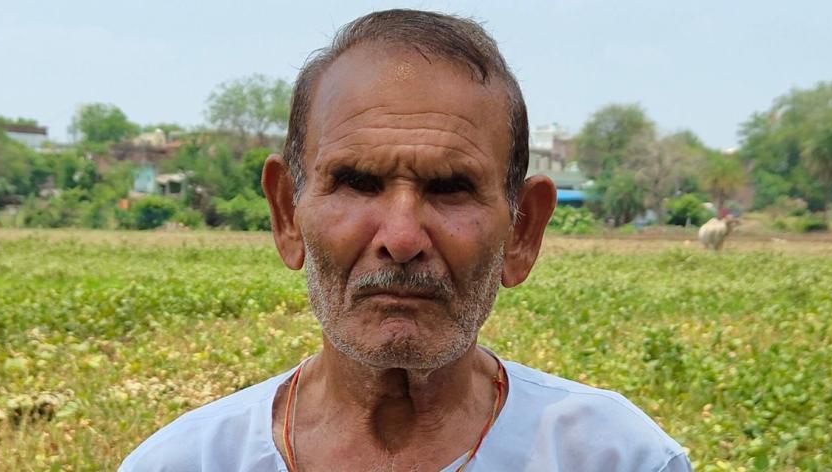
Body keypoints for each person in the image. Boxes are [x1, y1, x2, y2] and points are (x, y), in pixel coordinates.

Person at [121, 9, 691, 472]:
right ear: (287, 215)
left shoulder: (616, 458)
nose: (401, 238)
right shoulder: (187, 462)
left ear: (522, 231)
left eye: (451, 189)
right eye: (356, 183)